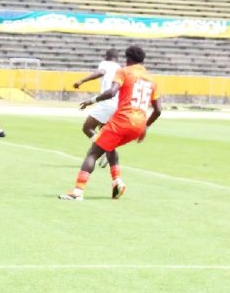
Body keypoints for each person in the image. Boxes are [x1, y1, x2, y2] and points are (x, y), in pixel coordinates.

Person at [59, 45, 161, 201]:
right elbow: (158, 110)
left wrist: (91, 100)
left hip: (122, 120)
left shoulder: (124, 72)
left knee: (93, 153)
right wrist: (146, 126)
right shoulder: (152, 79)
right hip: (138, 124)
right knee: (109, 147)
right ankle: (117, 182)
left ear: (128, 59)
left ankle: (78, 192)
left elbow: (111, 92)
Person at [73, 48, 120, 167]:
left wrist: (82, 81)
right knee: (104, 131)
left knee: (87, 127)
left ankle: (105, 150)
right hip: (117, 104)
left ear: (106, 56)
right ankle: (108, 153)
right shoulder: (120, 68)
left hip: (106, 103)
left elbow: (100, 72)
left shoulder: (105, 64)